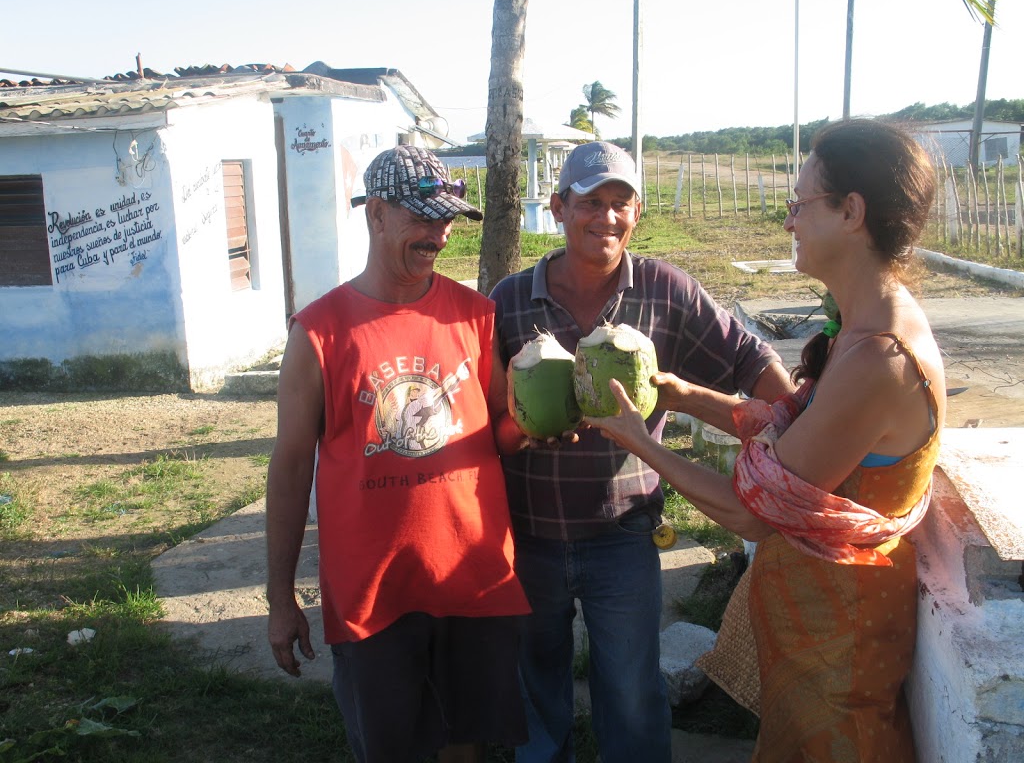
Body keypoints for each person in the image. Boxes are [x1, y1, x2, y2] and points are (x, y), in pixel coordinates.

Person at [586, 118, 945, 761]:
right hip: (816, 633)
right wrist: (682, 394)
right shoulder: (858, 330)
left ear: (851, 212)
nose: (788, 222)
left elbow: (754, 512)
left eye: (799, 204)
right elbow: (787, 430)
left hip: (843, 648)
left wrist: (641, 442)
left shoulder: (881, 357)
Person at [488, 140, 793, 762]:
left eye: (620, 203)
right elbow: (488, 416)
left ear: (637, 213)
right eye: (590, 202)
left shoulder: (665, 290)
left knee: (630, 694)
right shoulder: (509, 300)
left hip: (623, 534)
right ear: (558, 208)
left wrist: (798, 425)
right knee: (535, 689)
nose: (606, 217)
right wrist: (521, 429)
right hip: (529, 534)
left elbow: (750, 358)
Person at [266, 145, 532, 763]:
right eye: (422, 218)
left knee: (465, 743)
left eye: (446, 221)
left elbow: (500, 428)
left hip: (472, 576)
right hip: (373, 592)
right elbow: (290, 469)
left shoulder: (475, 316)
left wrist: (534, 428)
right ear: (376, 214)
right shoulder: (319, 333)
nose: (438, 235)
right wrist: (281, 599)